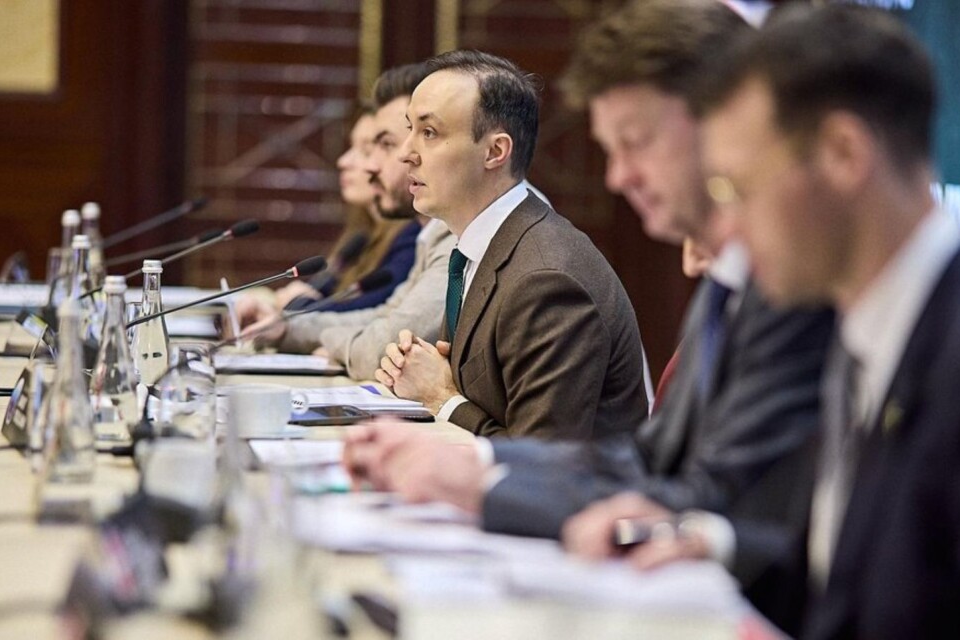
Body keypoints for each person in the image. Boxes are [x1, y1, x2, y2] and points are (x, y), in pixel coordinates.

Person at [570, 5, 960, 638]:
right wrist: (714, 543)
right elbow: (849, 576)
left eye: (738, 188)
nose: (726, 226)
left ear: (842, 154)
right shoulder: (870, 327)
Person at [345, 7, 832, 630]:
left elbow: (720, 499)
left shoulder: (782, 286)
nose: (617, 177)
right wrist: (472, 467)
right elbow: (651, 461)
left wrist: (470, 461)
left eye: (637, 142)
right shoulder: (733, 282)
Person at [372, 49, 648, 440]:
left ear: (495, 152)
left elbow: (541, 463)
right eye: (409, 129)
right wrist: (427, 370)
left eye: (429, 133)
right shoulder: (483, 246)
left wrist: (440, 397)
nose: (405, 154)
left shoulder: (546, 278)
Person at [238, 63, 456, 379]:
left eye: (384, 145)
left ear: (493, 152)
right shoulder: (433, 233)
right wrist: (286, 328)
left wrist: (337, 347)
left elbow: (391, 344)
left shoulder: (448, 235)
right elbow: (386, 316)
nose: (369, 165)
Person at [241, 107, 417, 317]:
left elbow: (371, 310)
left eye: (366, 151)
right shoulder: (362, 235)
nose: (343, 161)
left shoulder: (411, 237)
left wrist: (301, 304)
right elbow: (320, 290)